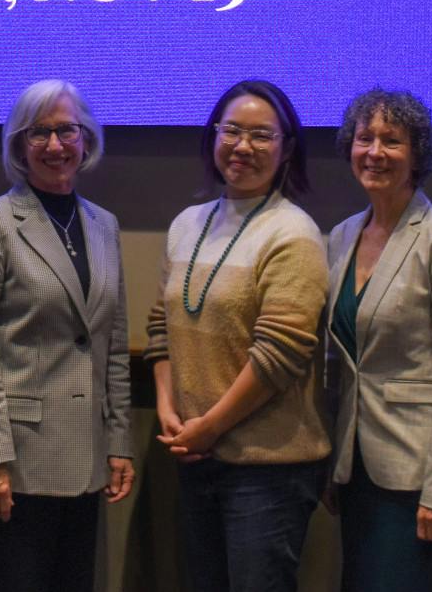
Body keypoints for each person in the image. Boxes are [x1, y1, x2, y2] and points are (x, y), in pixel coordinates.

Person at [0, 79, 135, 591]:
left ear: (86, 138)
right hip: (12, 468)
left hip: (85, 459)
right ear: (18, 145)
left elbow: (113, 345)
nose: (55, 145)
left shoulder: (104, 225)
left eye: (66, 130)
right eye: (39, 133)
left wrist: (119, 442)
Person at [146, 79, 331, 592]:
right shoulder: (187, 224)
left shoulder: (293, 233)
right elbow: (160, 328)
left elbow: (280, 356)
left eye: (261, 135)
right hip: (194, 457)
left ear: (287, 148)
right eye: (231, 131)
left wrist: (209, 427)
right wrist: (169, 408)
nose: (242, 147)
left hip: (267, 470)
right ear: (212, 137)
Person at [322, 89, 432, 592]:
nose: (374, 151)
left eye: (391, 140)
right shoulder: (342, 236)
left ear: (418, 156)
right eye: (364, 137)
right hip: (356, 472)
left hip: (416, 478)